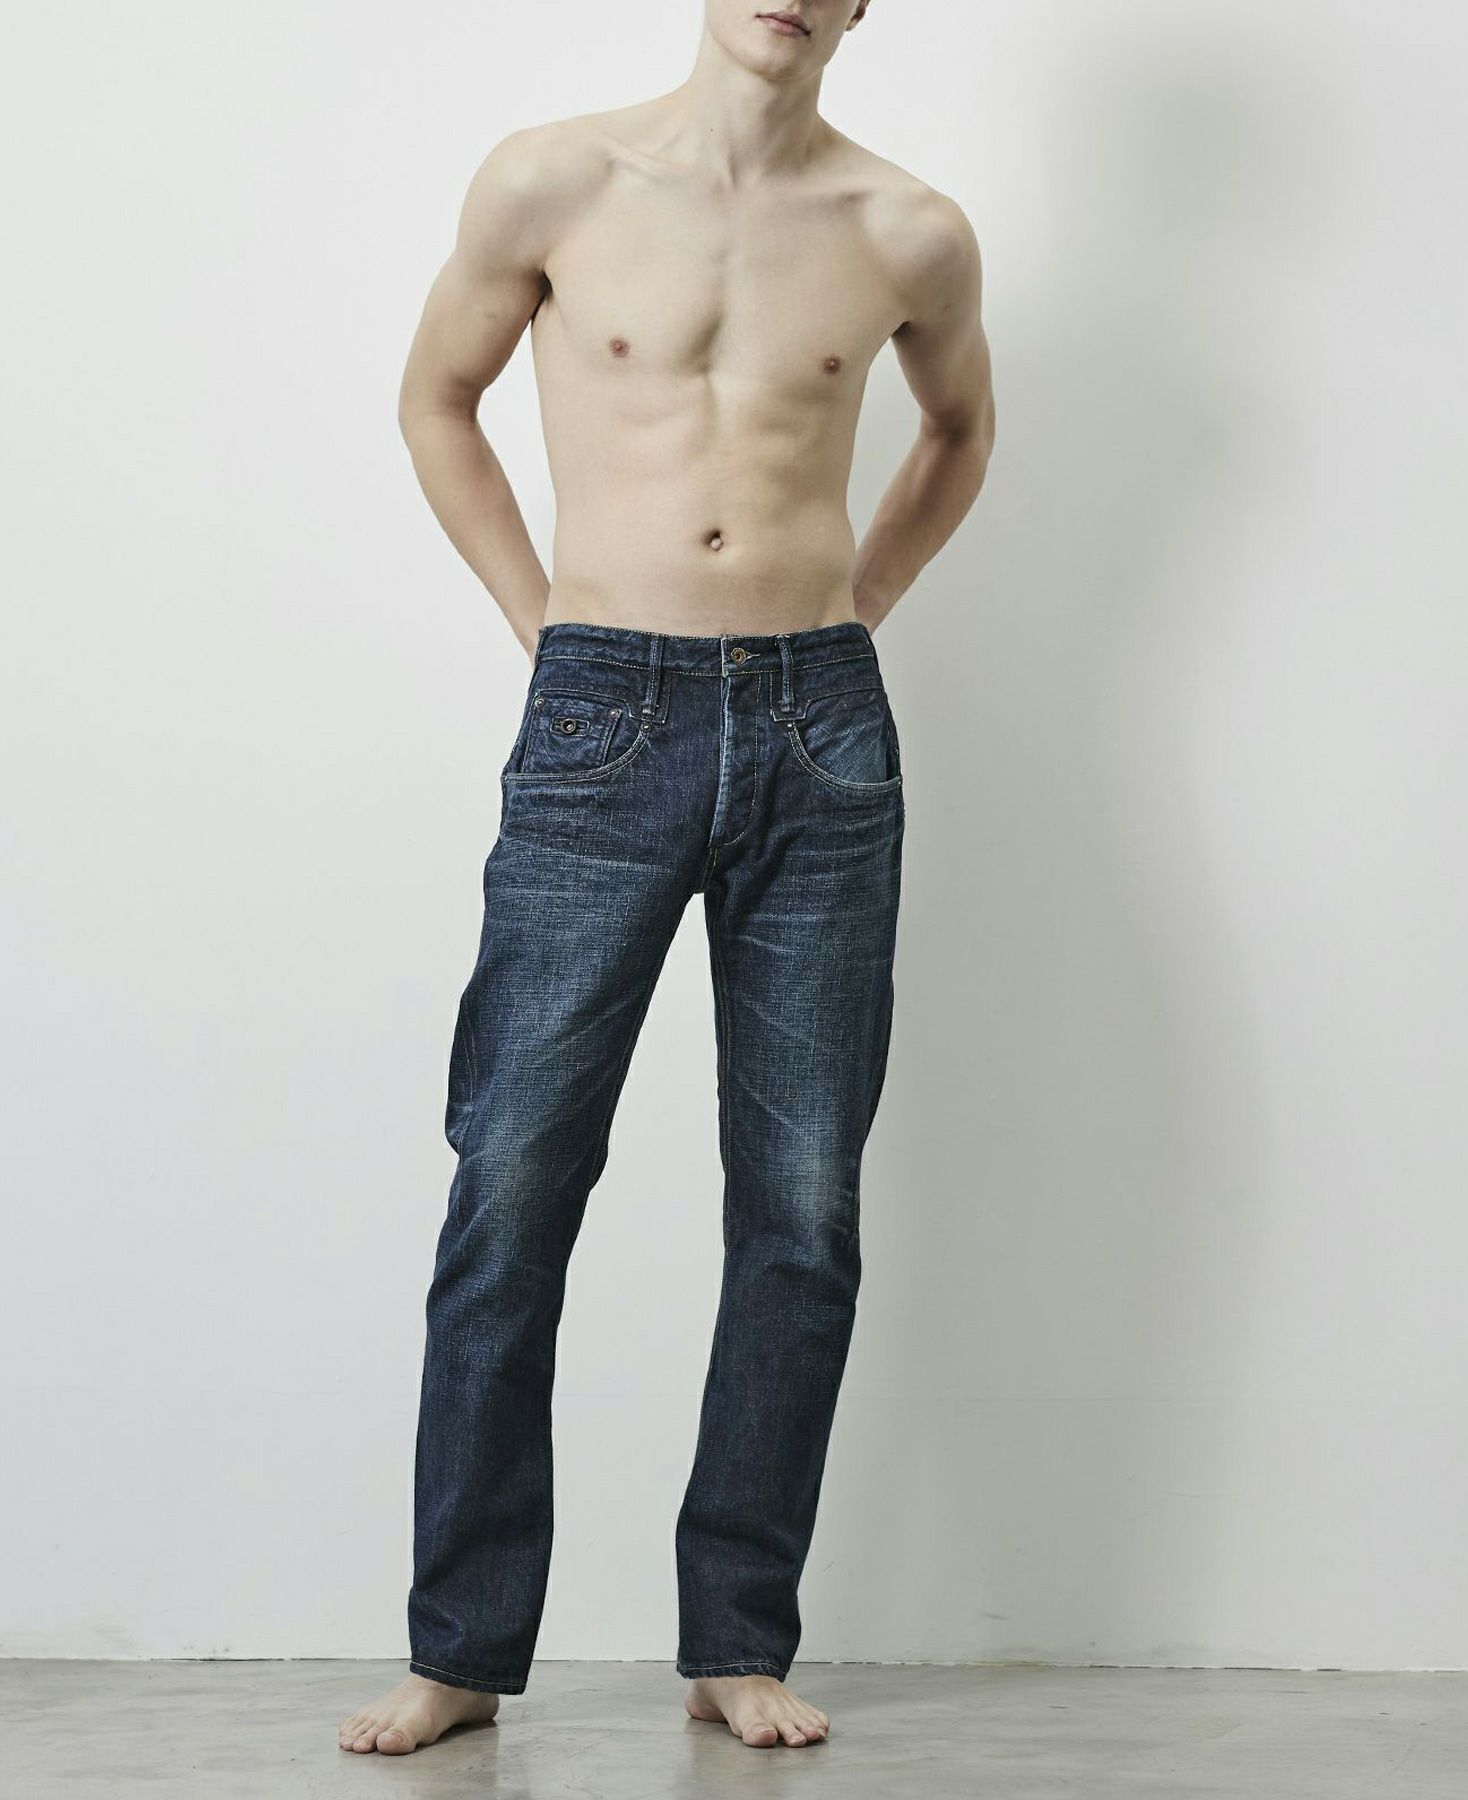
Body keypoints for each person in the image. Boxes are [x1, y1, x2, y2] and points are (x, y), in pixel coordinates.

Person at [340, 0, 993, 1757]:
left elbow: (957, 432)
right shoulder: (553, 179)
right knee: (511, 1180)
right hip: (602, 709)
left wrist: (860, 607)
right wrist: (543, 620)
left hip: (821, 734)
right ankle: (462, 1645)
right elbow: (436, 400)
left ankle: (738, 1636)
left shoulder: (908, 229)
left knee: (802, 1204)